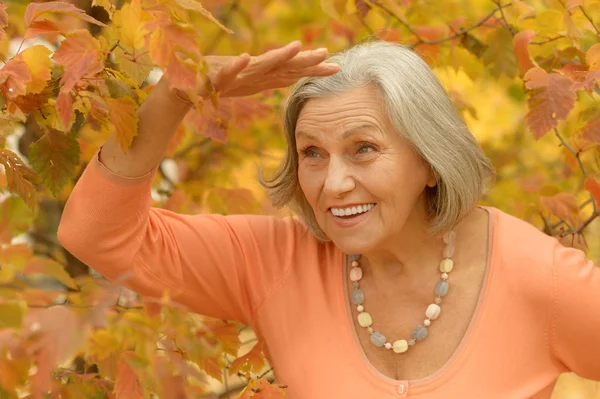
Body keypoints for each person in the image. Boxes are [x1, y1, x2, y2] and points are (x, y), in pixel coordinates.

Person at [57, 39, 600, 398]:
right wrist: (175, 94)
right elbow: (97, 234)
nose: (332, 183)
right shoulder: (273, 262)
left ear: (430, 161)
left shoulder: (537, 276)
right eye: (312, 153)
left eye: (363, 148)